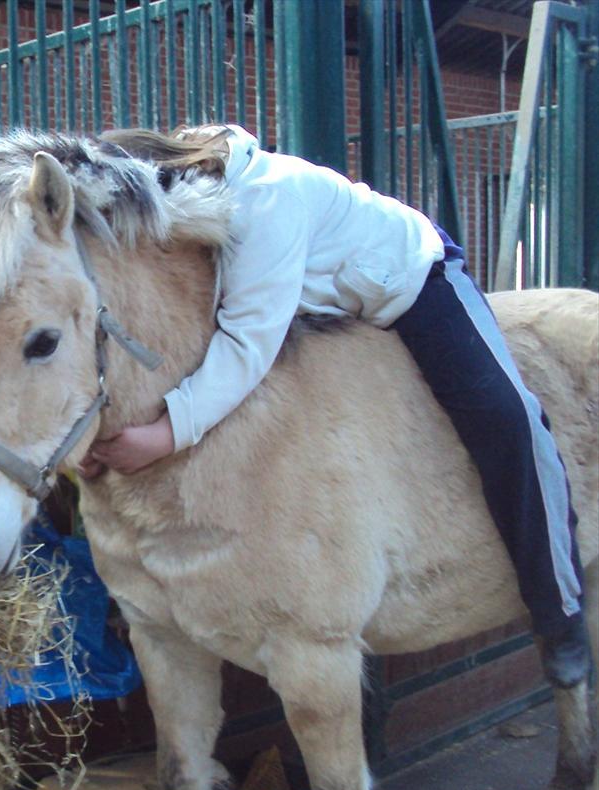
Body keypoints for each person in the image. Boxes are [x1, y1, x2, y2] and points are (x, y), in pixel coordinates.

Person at [80, 124, 589, 689]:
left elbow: (247, 342)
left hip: (413, 280)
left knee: (509, 419)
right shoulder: (190, 221)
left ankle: (558, 612)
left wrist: (162, 435)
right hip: (323, 299)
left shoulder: (267, 200)